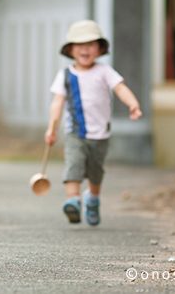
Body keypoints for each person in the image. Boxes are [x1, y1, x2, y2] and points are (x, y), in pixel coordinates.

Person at [44, 20, 142, 226]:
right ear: (71, 50)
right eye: (79, 45)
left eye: (90, 45)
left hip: (100, 134)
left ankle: (93, 199)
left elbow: (120, 88)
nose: (85, 49)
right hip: (75, 133)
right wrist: (51, 128)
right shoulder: (65, 76)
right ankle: (73, 200)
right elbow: (57, 103)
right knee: (74, 164)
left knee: (96, 171)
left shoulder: (104, 71)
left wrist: (132, 104)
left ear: (99, 48)